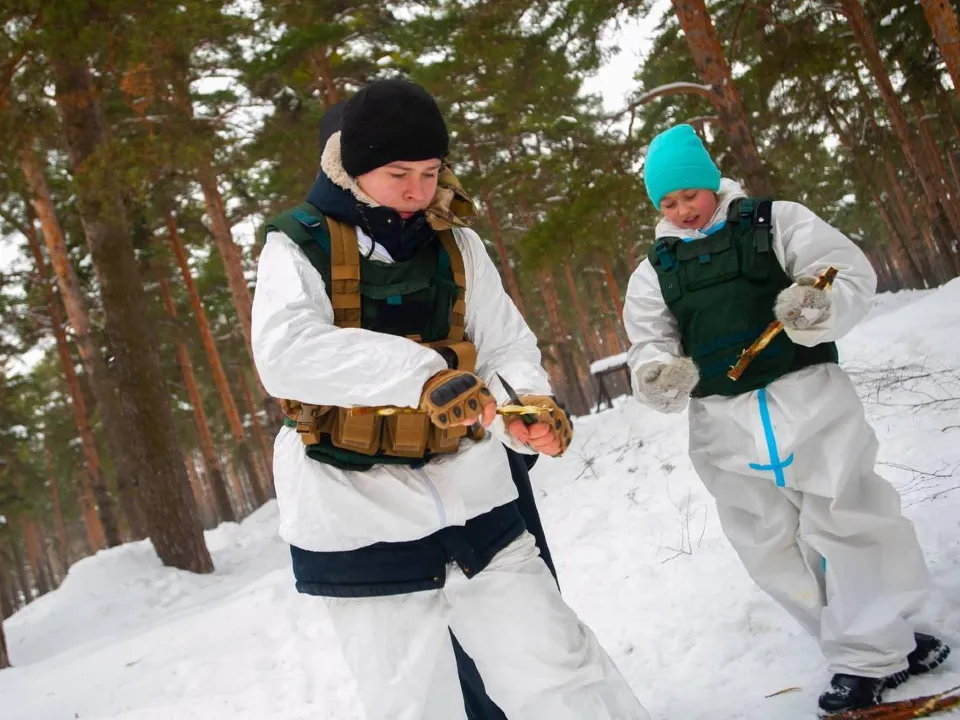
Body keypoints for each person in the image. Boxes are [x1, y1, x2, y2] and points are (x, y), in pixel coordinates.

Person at [252, 78, 647, 720]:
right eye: (397, 173)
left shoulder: (458, 245)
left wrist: (528, 407)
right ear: (353, 171)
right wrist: (421, 375)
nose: (417, 191)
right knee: (415, 702)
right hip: (357, 512)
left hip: (473, 495)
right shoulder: (297, 246)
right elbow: (286, 352)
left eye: (431, 173)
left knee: (560, 668)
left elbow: (503, 346)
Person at [622, 123, 950, 717]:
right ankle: (878, 639)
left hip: (809, 398)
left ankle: (866, 657)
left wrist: (817, 307)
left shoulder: (775, 221)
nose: (683, 210)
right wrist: (656, 372)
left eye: (689, 195)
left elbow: (843, 272)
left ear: (710, 183)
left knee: (847, 516)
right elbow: (648, 340)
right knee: (768, 542)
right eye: (668, 203)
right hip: (723, 422)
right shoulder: (656, 269)